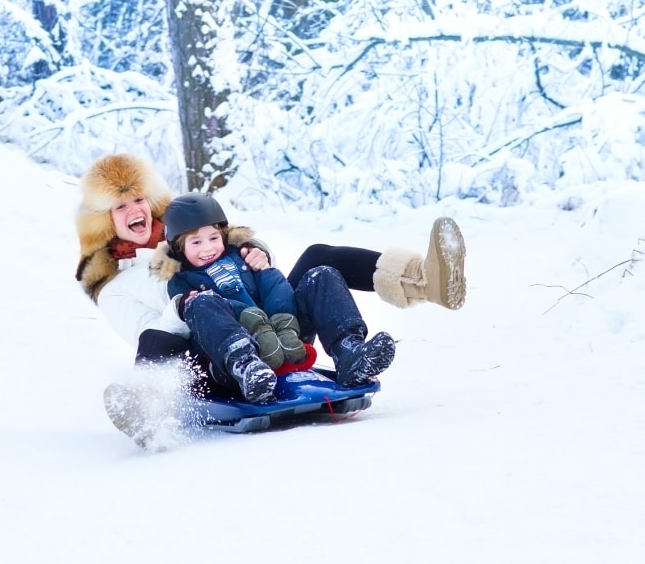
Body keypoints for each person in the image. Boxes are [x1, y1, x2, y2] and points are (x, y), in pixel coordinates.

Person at [74, 154, 466, 435]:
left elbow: (260, 282)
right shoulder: (115, 288)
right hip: (217, 356)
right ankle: (147, 409)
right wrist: (188, 303)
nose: (133, 210)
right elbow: (153, 336)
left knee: (317, 261)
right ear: (103, 220)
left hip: (274, 332)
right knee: (155, 339)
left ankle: (421, 283)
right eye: (119, 205)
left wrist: (252, 255)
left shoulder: (196, 236)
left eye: (138, 199)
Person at [150, 192, 397, 403]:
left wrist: (267, 275)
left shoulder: (244, 255)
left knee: (321, 275)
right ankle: (247, 369)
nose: (208, 248)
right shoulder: (181, 282)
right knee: (202, 303)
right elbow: (203, 323)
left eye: (213, 238)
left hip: (285, 334)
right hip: (235, 354)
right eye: (196, 242)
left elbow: (277, 289)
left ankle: (350, 352)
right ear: (179, 248)